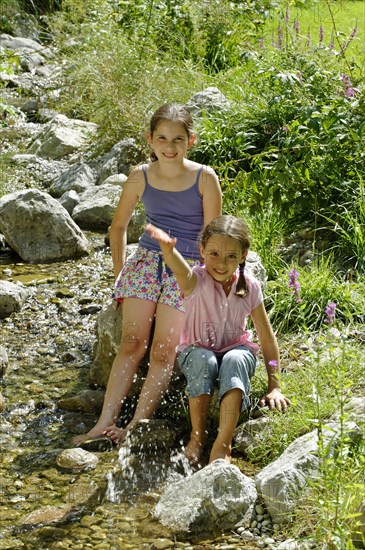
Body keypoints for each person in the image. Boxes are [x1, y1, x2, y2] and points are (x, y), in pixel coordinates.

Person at [72, 103, 222, 447]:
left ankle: (135, 427)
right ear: (150, 140)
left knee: (163, 351)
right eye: (163, 139)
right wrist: (120, 275)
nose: (170, 147)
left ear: (191, 140)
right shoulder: (140, 175)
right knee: (131, 343)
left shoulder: (204, 178)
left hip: (184, 268)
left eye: (178, 140)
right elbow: (118, 227)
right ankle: (104, 421)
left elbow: (211, 236)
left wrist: (208, 282)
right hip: (146, 263)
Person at [146, 215, 290, 465]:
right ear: (202, 250)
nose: (221, 263)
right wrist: (169, 251)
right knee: (203, 359)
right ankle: (198, 436)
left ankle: (223, 442)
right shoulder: (195, 281)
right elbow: (179, 268)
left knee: (235, 358)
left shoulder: (250, 286)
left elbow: (266, 337)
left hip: (236, 348)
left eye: (231, 257)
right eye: (213, 254)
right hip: (197, 350)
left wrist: (274, 385)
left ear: (243, 256)